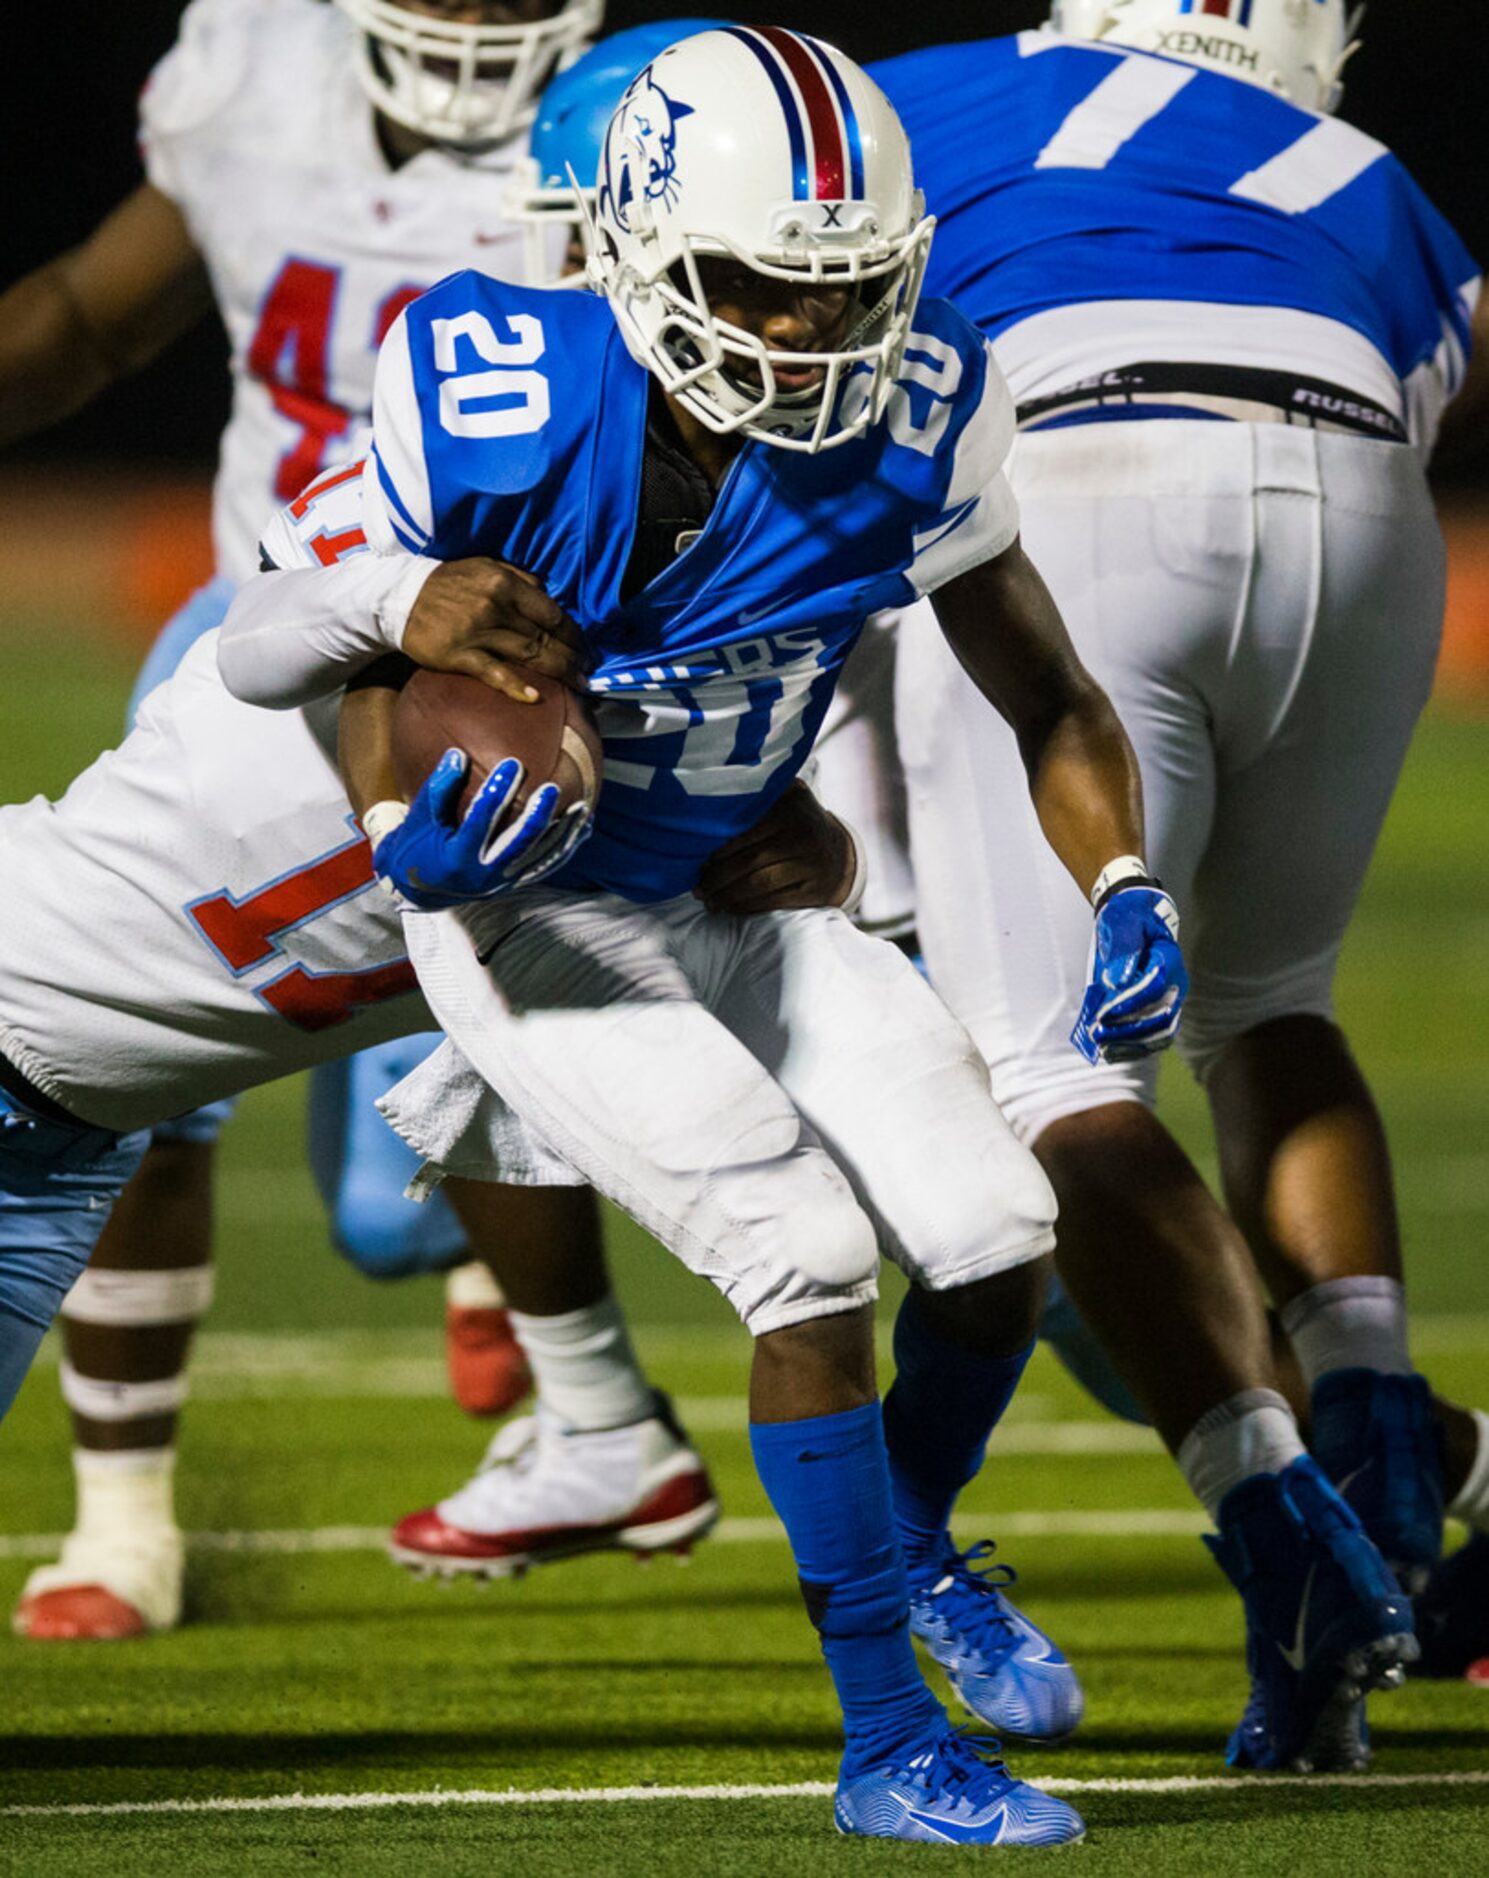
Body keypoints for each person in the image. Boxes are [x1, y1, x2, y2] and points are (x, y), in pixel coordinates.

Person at [215, 26, 1402, 1832]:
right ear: (643, 254)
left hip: (736, 889)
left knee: (1003, 1219)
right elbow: (272, 646)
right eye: (766, 292)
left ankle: (911, 1536)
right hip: (538, 904)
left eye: (847, 296)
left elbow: (1053, 695)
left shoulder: (924, 402)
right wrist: (400, 752)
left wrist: (1122, 883)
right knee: (800, 1252)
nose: (808, 338)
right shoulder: (491, 376)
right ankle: (885, 1740)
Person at [853, 0, 1485, 1751]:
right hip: (1363, 503)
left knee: (1051, 1067)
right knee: (1272, 1001)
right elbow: (1446, 379)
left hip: (1075, 467)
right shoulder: (1366, 173)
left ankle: (1274, 1510)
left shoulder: (930, 95)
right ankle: (1362, 1410)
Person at [0, 0, 635, 1641]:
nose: (477, 21)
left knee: (381, 1206)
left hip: (497, 672)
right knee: (128, 1079)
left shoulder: (634, 123)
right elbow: (85, 316)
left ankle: (548, 1325)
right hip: (254, 631)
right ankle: (122, 1511)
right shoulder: (252, 69)